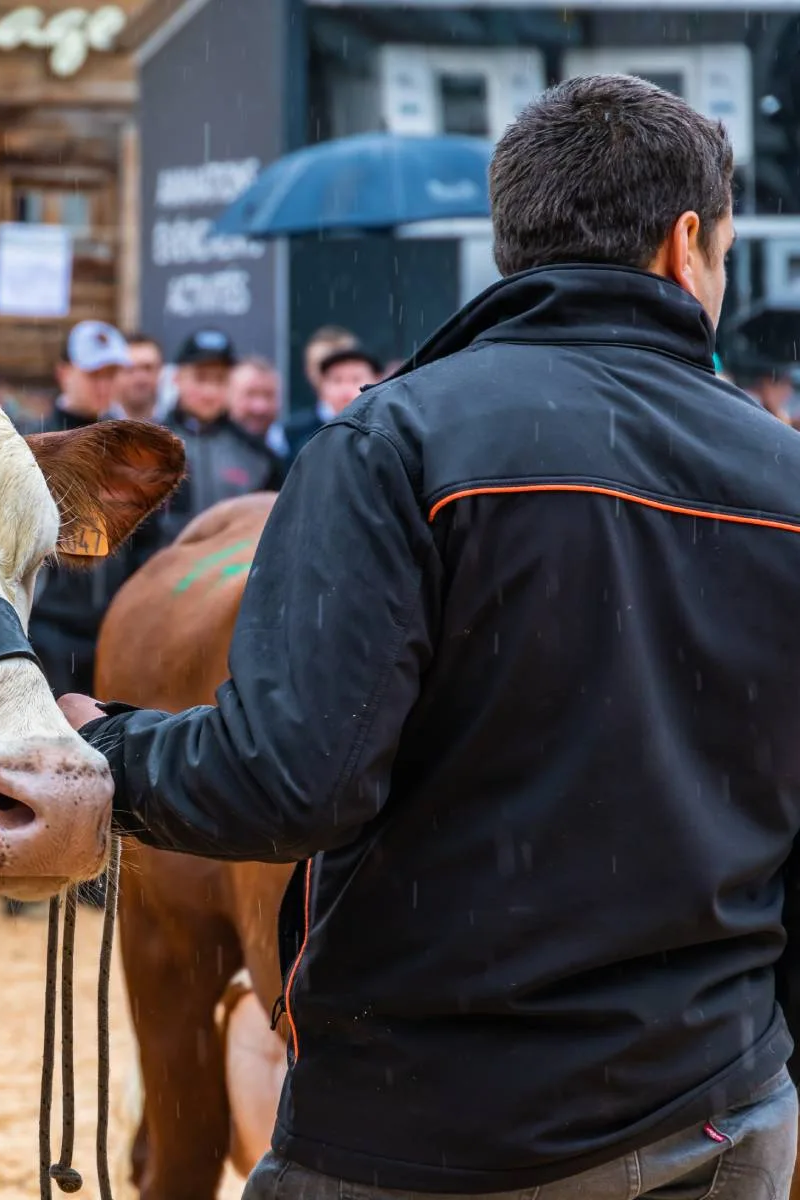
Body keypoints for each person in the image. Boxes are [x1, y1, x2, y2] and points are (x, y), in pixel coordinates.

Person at [64, 74, 800, 1198]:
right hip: (718, 1110)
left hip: (421, 1127)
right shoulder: (784, 474)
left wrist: (103, 748)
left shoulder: (393, 444)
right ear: (685, 244)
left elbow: (290, 785)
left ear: (514, 244)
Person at [19, 319, 135, 695]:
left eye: (112, 373)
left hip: (118, 624)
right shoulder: (28, 440)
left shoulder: (134, 445)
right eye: (93, 373)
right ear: (64, 372)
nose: (103, 383)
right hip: (48, 626)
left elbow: (150, 535)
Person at [157, 329, 281, 542]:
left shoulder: (259, 457)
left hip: (233, 572)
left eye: (220, 379)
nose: (210, 392)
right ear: (177, 378)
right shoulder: (148, 449)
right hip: (163, 571)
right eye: (201, 378)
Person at [282, 341, 382, 459]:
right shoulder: (293, 433)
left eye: (356, 379)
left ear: (378, 380)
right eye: (337, 380)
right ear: (322, 384)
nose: (346, 388)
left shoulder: (387, 428)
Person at [225, 356, 283, 453]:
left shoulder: (293, 450)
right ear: (228, 396)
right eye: (250, 394)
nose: (261, 407)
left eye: (269, 395)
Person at [114, 331, 166, 421]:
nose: (140, 378)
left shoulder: (180, 430)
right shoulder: (94, 424)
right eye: (130, 369)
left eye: (148, 368)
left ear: (161, 371)